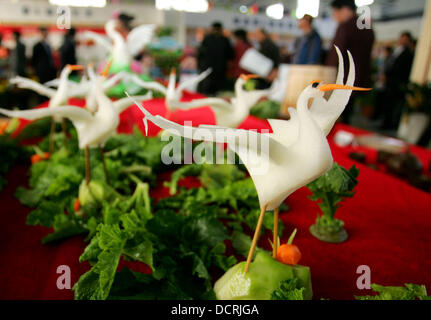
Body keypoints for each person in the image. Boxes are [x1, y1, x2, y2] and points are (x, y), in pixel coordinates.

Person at [326, 0, 375, 124]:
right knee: (347, 113)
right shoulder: (366, 26)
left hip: (342, 79)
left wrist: (328, 75)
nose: (334, 16)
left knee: (334, 115)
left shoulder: (345, 26)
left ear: (345, 9)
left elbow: (336, 54)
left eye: (335, 12)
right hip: (358, 79)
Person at [380, 32, 415, 130]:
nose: (401, 40)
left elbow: (400, 69)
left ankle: (388, 124)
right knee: (387, 103)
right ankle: (385, 122)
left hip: (396, 83)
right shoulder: (397, 50)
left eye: (404, 38)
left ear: (408, 40)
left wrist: (389, 76)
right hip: (390, 82)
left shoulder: (408, 53)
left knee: (392, 104)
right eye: (401, 38)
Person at [197, 22, 234, 95]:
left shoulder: (208, 39)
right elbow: (230, 55)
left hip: (209, 68)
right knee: (214, 88)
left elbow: (200, 54)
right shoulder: (224, 40)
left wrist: (200, 65)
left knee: (207, 87)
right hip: (218, 68)